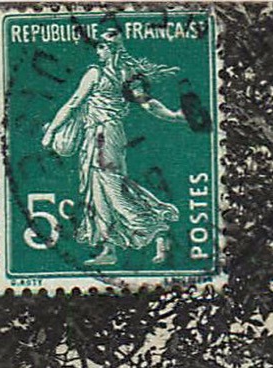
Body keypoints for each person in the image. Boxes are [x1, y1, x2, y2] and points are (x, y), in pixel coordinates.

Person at [41, 26, 185, 266]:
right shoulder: (126, 72)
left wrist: (53, 131)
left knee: (113, 191)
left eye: (102, 46)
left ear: (110, 49)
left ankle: (158, 230)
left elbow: (73, 103)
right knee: (99, 191)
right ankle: (109, 249)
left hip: (102, 136)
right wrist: (172, 115)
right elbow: (147, 103)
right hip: (104, 135)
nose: (99, 50)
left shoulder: (96, 74)